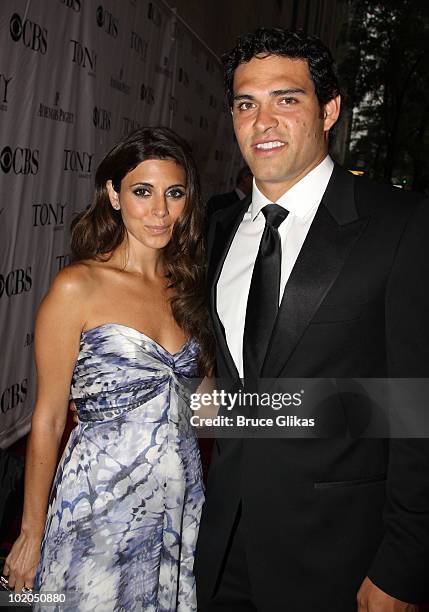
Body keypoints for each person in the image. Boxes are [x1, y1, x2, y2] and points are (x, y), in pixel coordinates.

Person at [194, 28, 429, 611]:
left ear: (329, 111)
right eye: (247, 103)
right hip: (222, 543)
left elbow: (416, 404)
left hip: (341, 557)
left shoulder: (400, 224)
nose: (263, 121)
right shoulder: (218, 227)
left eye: (286, 99)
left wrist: (404, 564)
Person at [3, 127, 214, 611]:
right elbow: (50, 417)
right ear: (114, 195)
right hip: (98, 504)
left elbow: (204, 409)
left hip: (177, 503)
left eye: (175, 193)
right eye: (143, 192)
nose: (161, 211)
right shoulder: (79, 286)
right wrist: (31, 533)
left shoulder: (189, 288)